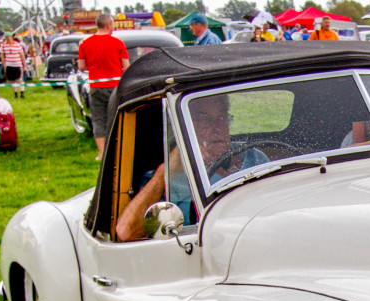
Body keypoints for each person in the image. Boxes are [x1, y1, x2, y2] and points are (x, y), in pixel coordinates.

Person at [115, 94, 268, 241]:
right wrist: (167, 170)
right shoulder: (167, 177)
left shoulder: (254, 158)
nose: (218, 127)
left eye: (222, 117)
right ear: (186, 127)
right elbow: (126, 231)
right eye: (205, 121)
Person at [77, 13, 129, 157]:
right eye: (112, 24)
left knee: (98, 119)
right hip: (115, 86)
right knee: (117, 116)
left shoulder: (85, 43)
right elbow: (126, 66)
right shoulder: (118, 43)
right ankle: (118, 149)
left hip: (96, 86)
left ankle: (102, 153)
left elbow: (81, 66)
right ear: (108, 25)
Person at [0, 32, 27, 98]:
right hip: (9, 64)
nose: (7, 38)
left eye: (8, 37)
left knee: (20, 79)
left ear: (11, 37)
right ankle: (15, 93)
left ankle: (22, 92)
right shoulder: (3, 45)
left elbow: (22, 55)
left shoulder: (17, 45)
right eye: (6, 37)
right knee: (12, 80)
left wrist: (24, 65)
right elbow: (2, 55)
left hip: (17, 64)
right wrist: (4, 64)